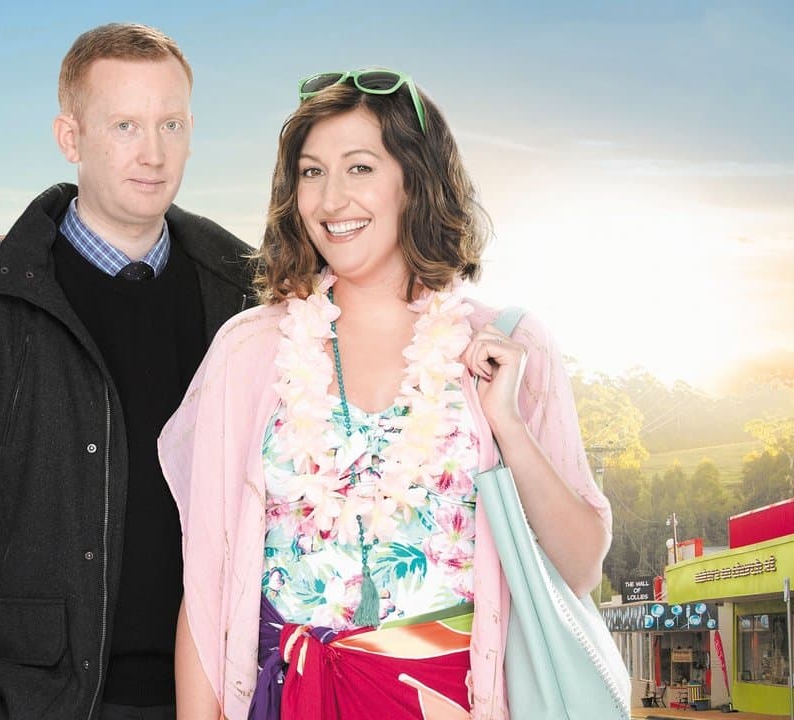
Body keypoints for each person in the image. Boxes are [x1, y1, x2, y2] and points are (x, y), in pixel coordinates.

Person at [158, 69, 612, 719]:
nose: (331, 199)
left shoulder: (509, 344)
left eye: (360, 168)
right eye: (312, 172)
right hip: (286, 700)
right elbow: (205, 588)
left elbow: (583, 565)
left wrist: (507, 426)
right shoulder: (248, 351)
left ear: (415, 180)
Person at [0, 23, 255, 720]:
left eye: (171, 124)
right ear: (70, 138)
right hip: (36, 703)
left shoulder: (244, 300)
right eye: (125, 125)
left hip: (222, 700)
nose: (154, 152)